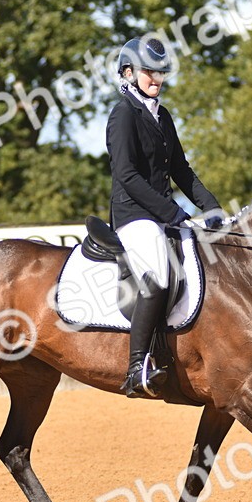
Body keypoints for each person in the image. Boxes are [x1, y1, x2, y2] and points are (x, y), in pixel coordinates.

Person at [106, 36, 224, 399]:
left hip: (163, 215)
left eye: (160, 73)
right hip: (134, 215)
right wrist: (173, 212)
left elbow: (181, 171)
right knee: (157, 275)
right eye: (149, 73)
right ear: (129, 72)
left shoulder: (162, 115)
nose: (156, 79)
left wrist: (211, 206)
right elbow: (126, 175)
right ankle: (137, 366)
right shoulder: (123, 114)